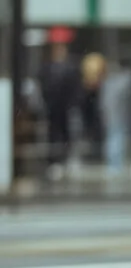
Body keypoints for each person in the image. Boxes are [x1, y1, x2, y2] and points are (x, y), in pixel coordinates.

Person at [39, 39, 80, 180]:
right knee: (53, 134)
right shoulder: (48, 68)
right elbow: (44, 87)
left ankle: (65, 160)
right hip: (53, 108)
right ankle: (54, 162)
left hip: (66, 108)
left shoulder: (70, 68)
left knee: (66, 134)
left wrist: (72, 103)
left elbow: (74, 88)